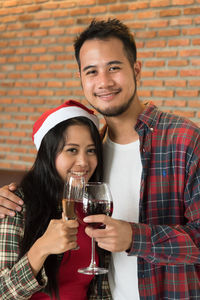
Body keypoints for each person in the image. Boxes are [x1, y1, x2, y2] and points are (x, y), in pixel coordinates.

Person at [1, 18, 200, 299]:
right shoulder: (91, 155)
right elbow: (41, 188)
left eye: (114, 68)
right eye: (92, 71)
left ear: (136, 69)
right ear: (81, 78)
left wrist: (136, 238)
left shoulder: (184, 140)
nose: (104, 82)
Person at [0, 99, 106, 300]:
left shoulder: (91, 207)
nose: (84, 162)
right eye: (72, 150)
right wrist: (41, 249)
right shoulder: (16, 204)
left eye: (91, 150)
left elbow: (99, 288)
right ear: (48, 154)